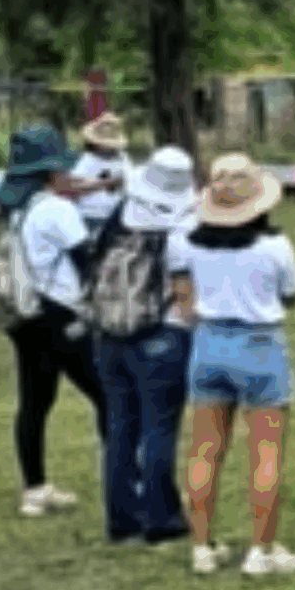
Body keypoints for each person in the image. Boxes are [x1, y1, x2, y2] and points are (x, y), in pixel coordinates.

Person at [169, 154, 295, 577]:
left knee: (205, 450)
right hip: (260, 345)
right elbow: (291, 292)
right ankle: (262, 549)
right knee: (265, 451)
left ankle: (202, 545)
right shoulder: (274, 246)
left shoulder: (189, 242)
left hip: (209, 342)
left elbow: (183, 295)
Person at [0, 125, 110, 518]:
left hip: (25, 313)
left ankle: (35, 489)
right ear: (48, 173)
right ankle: (121, 480)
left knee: (35, 401)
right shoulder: (59, 210)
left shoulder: (20, 210)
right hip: (60, 313)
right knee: (106, 394)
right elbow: (86, 264)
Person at [89, 147, 198, 546]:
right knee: (159, 427)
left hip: (110, 333)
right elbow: (188, 287)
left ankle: (122, 518)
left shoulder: (120, 215)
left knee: (119, 428)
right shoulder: (183, 226)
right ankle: (161, 516)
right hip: (161, 331)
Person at [71, 113, 133, 229]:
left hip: (118, 214)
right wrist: (106, 183)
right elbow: (74, 188)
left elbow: (131, 180)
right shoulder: (87, 161)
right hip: (92, 215)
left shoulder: (123, 157)